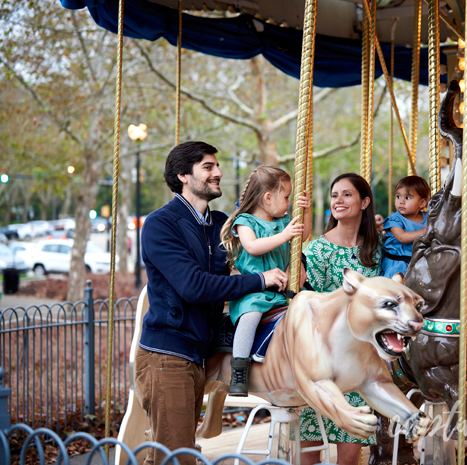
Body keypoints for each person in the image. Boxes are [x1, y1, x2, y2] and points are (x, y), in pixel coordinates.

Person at [134, 141, 288, 465]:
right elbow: (194, 286)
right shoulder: (161, 225)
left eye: (217, 166)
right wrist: (260, 280)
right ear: (183, 175)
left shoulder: (219, 223)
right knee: (179, 456)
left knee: (166, 453)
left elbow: (256, 239)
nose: (218, 172)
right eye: (208, 167)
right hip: (168, 353)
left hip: (199, 355)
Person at [300, 173, 382, 465]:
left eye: (347, 195)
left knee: (349, 457)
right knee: (309, 450)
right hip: (322, 361)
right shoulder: (318, 250)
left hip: (360, 362)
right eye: (335, 195)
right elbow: (310, 305)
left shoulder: (375, 250)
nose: (338, 201)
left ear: (365, 202)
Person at [220, 166, 311, 395]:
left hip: (281, 291)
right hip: (254, 291)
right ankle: (239, 368)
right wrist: (284, 236)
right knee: (251, 316)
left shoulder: (283, 221)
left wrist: (306, 212)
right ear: (268, 198)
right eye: (287, 197)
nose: (289, 203)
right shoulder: (245, 221)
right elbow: (253, 246)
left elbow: (304, 235)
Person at [380, 175, 430, 278]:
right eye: (398, 196)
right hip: (397, 264)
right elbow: (402, 237)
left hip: (419, 263)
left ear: (422, 203)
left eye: (407, 197)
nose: (401, 201)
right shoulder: (395, 219)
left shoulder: (427, 218)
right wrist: (425, 231)